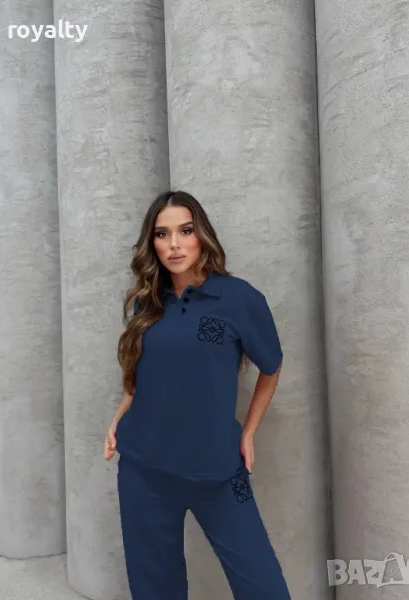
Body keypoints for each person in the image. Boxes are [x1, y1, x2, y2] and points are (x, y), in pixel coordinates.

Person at [104, 190, 291, 600]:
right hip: (144, 470)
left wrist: (249, 431)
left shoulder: (239, 298)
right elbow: (141, 373)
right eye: (162, 234)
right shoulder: (147, 303)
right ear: (152, 243)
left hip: (218, 471)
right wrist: (120, 415)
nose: (174, 244)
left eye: (185, 231)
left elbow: (271, 365)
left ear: (201, 234)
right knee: (155, 591)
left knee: (264, 588)